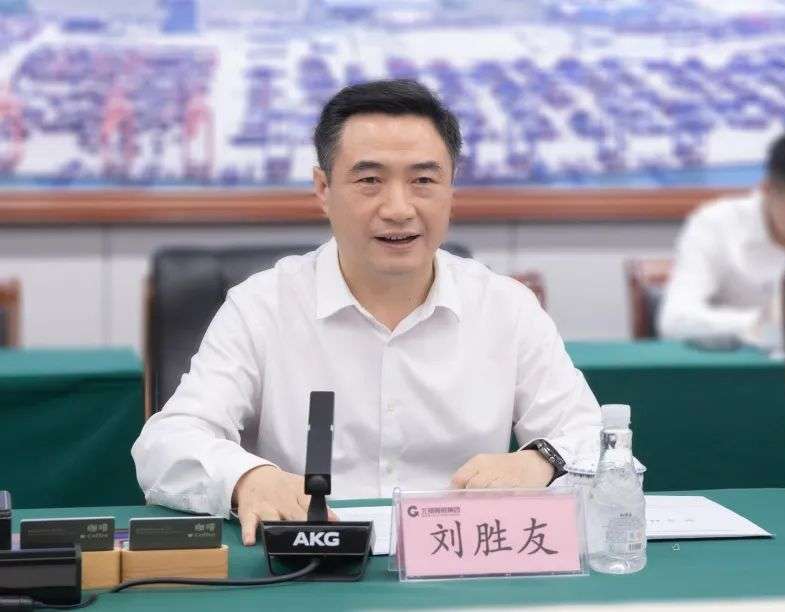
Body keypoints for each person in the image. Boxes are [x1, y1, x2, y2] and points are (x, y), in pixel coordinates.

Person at [132, 79, 601, 546]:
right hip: (311, 561)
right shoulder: (262, 307)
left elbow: (594, 438)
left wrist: (541, 459)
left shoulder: (506, 307)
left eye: (423, 181)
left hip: (461, 560)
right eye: (370, 180)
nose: (398, 209)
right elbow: (165, 444)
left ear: (451, 189)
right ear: (323, 189)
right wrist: (246, 478)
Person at [658, 127, 785, 348]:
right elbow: (675, 320)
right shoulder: (717, 224)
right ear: (767, 190)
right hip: (738, 363)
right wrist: (765, 322)